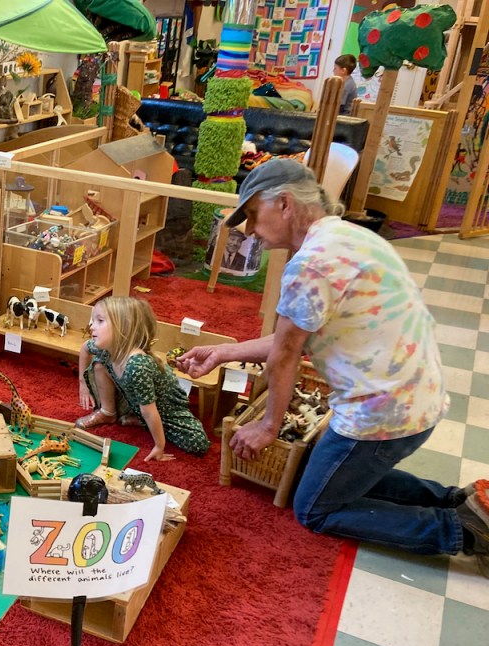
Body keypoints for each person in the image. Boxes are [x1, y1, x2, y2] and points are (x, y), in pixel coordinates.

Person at [176, 159, 489, 574]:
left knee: (314, 508)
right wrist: (222, 353)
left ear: (284, 203)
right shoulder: (351, 236)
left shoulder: (310, 264)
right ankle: (459, 501)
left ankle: (462, 531)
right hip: (418, 396)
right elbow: (293, 338)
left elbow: (286, 354)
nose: (250, 229)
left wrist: (268, 427)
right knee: (320, 471)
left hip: (383, 413)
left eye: (252, 214)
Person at [75, 296, 210, 461]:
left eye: (100, 321)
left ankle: (141, 420)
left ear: (123, 328)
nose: (91, 326)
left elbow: (149, 411)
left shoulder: (138, 365)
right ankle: (108, 412)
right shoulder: (108, 346)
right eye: (93, 320)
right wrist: (83, 383)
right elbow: (84, 348)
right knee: (100, 362)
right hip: (137, 400)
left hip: (165, 410)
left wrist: (159, 446)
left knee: (198, 444)